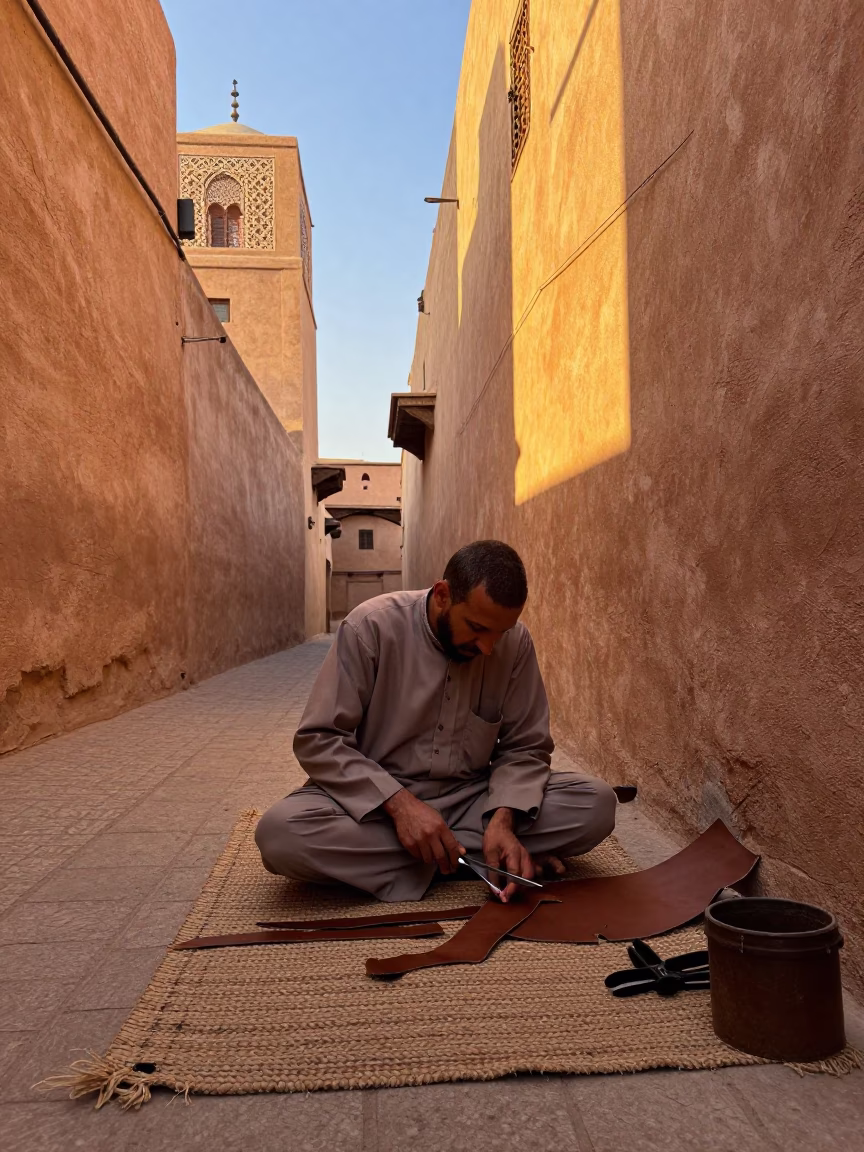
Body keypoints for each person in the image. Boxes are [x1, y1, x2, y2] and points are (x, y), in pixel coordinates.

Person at [255, 540, 616, 902]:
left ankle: (451, 855)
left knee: (595, 805)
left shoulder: (516, 645)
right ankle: (477, 860)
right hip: (376, 807)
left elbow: (526, 747)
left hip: (474, 801)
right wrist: (401, 806)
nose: (488, 648)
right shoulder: (371, 627)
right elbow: (319, 739)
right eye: (476, 628)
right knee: (281, 835)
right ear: (443, 595)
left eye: (499, 633)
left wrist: (502, 819)